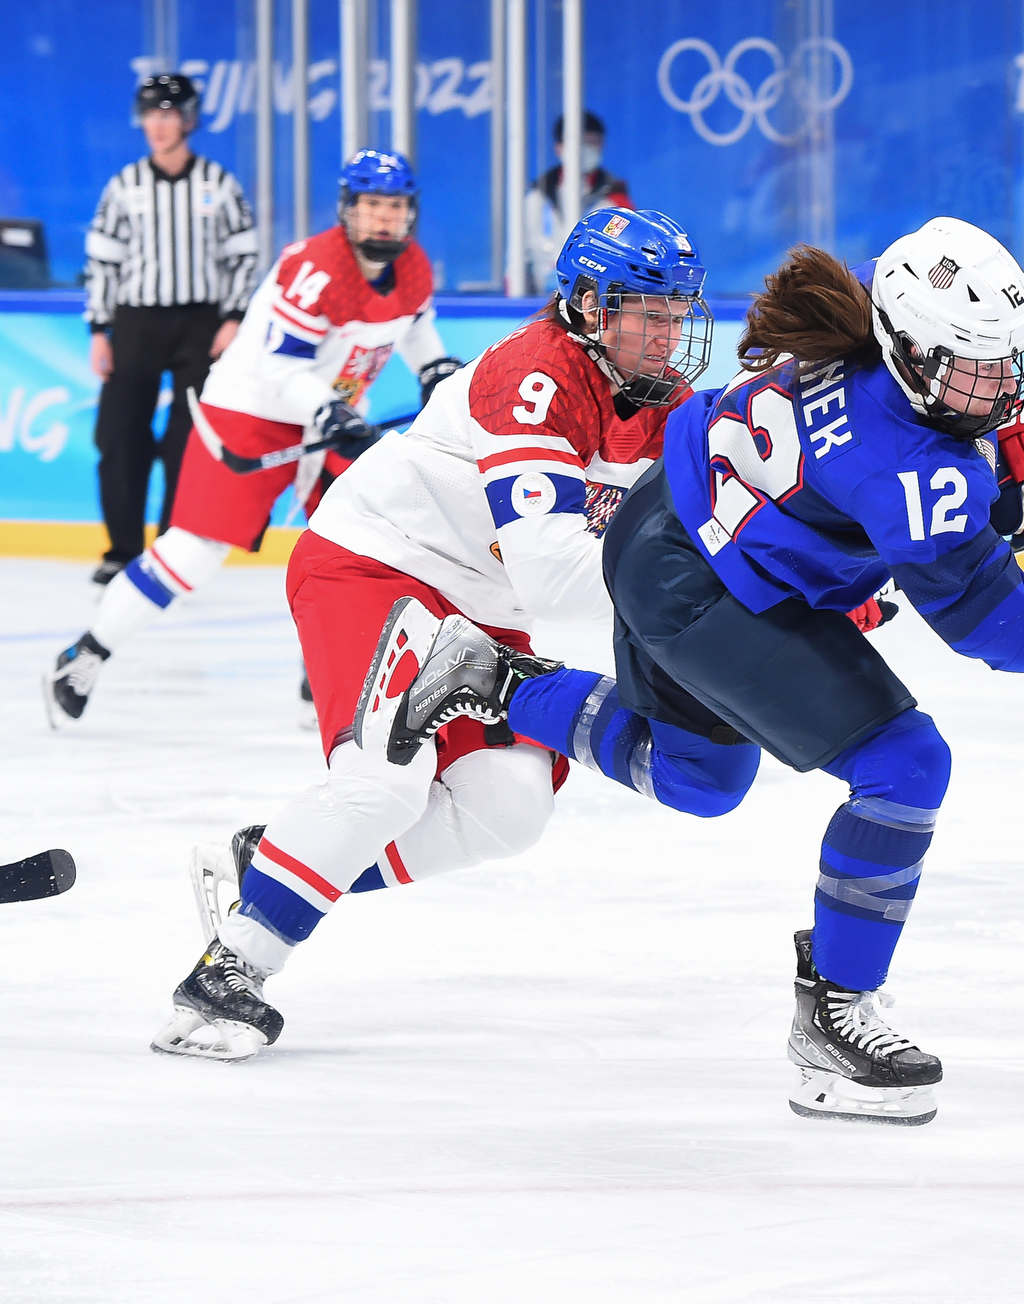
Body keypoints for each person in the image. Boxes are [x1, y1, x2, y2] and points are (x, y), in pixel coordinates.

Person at [359, 217, 1024, 1125]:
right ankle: (835, 1017)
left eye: (1007, 366)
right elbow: (993, 620)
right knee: (906, 765)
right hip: (707, 583)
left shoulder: (881, 302)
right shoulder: (903, 466)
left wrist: (1006, 445)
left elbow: (939, 390)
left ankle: (492, 675)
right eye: (973, 371)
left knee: (699, 778)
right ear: (909, 356)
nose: (996, 386)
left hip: (672, 523)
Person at [147, 207, 724, 1061]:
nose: (668, 332)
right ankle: (227, 972)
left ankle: (268, 866)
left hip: (482, 610)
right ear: (587, 305)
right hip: (377, 565)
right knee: (383, 787)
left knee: (508, 809)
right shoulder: (537, 376)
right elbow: (557, 579)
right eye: (648, 310)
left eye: (677, 312)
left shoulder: (666, 403)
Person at [45, 148, 463, 730]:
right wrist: (326, 409)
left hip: (330, 413)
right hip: (253, 410)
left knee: (366, 548)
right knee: (192, 553)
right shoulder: (314, 268)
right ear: (348, 209)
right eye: (372, 205)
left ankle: (322, 675)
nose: (385, 218)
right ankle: (86, 652)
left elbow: (414, 327)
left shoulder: (413, 266)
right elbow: (279, 367)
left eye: (395, 207)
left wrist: (433, 366)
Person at [84, 71, 259, 585]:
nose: (158, 125)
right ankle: (120, 549)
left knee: (190, 439)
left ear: (188, 119)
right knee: (118, 435)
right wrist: (99, 329)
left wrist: (233, 319)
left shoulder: (219, 184)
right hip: (135, 322)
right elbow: (102, 263)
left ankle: (169, 547)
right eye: (150, 115)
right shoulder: (124, 186)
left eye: (167, 113)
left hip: (201, 324)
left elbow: (243, 258)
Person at [523, 111, 633, 292]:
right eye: (579, 143)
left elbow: (627, 254)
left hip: (596, 297)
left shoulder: (615, 198)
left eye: (592, 143)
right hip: (541, 297)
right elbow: (519, 256)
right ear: (559, 148)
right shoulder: (537, 196)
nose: (586, 149)